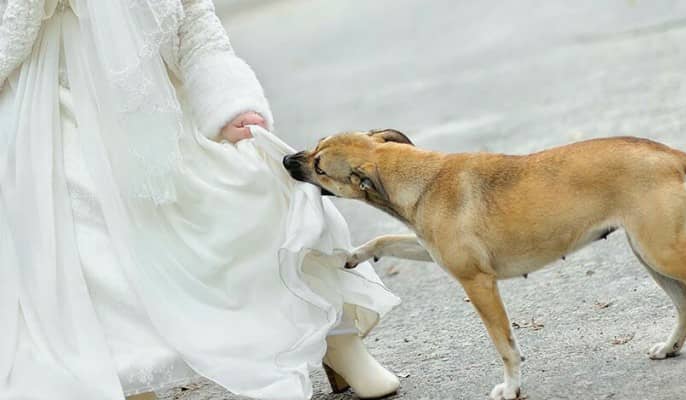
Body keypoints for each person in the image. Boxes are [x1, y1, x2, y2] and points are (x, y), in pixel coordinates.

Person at [0, 1, 401, 399]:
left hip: (155, 106)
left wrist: (229, 101)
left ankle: (339, 340)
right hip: (52, 115)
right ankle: (136, 381)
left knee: (255, 189)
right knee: (85, 237)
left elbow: (194, 21)